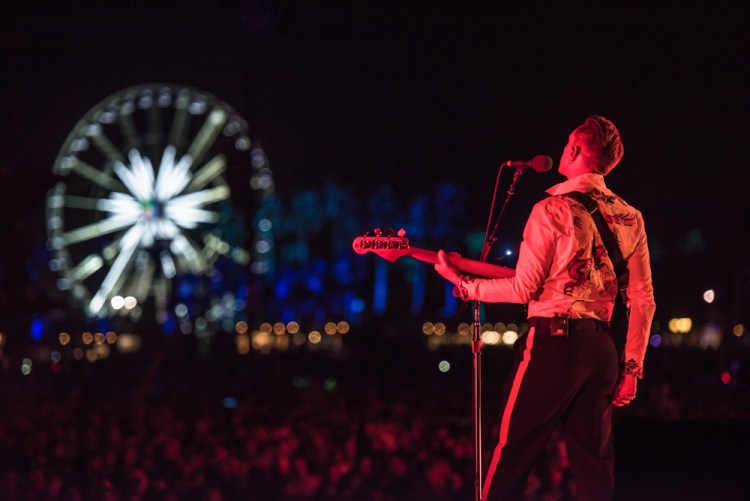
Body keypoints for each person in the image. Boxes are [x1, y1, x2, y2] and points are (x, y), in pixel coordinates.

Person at [434, 115, 656, 500]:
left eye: (568, 142)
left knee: (512, 454)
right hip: (602, 351)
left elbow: (524, 288)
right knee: (595, 466)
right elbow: (642, 298)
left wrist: (465, 286)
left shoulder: (550, 210)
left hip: (555, 344)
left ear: (574, 151)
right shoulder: (630, 217)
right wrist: (632, 367)